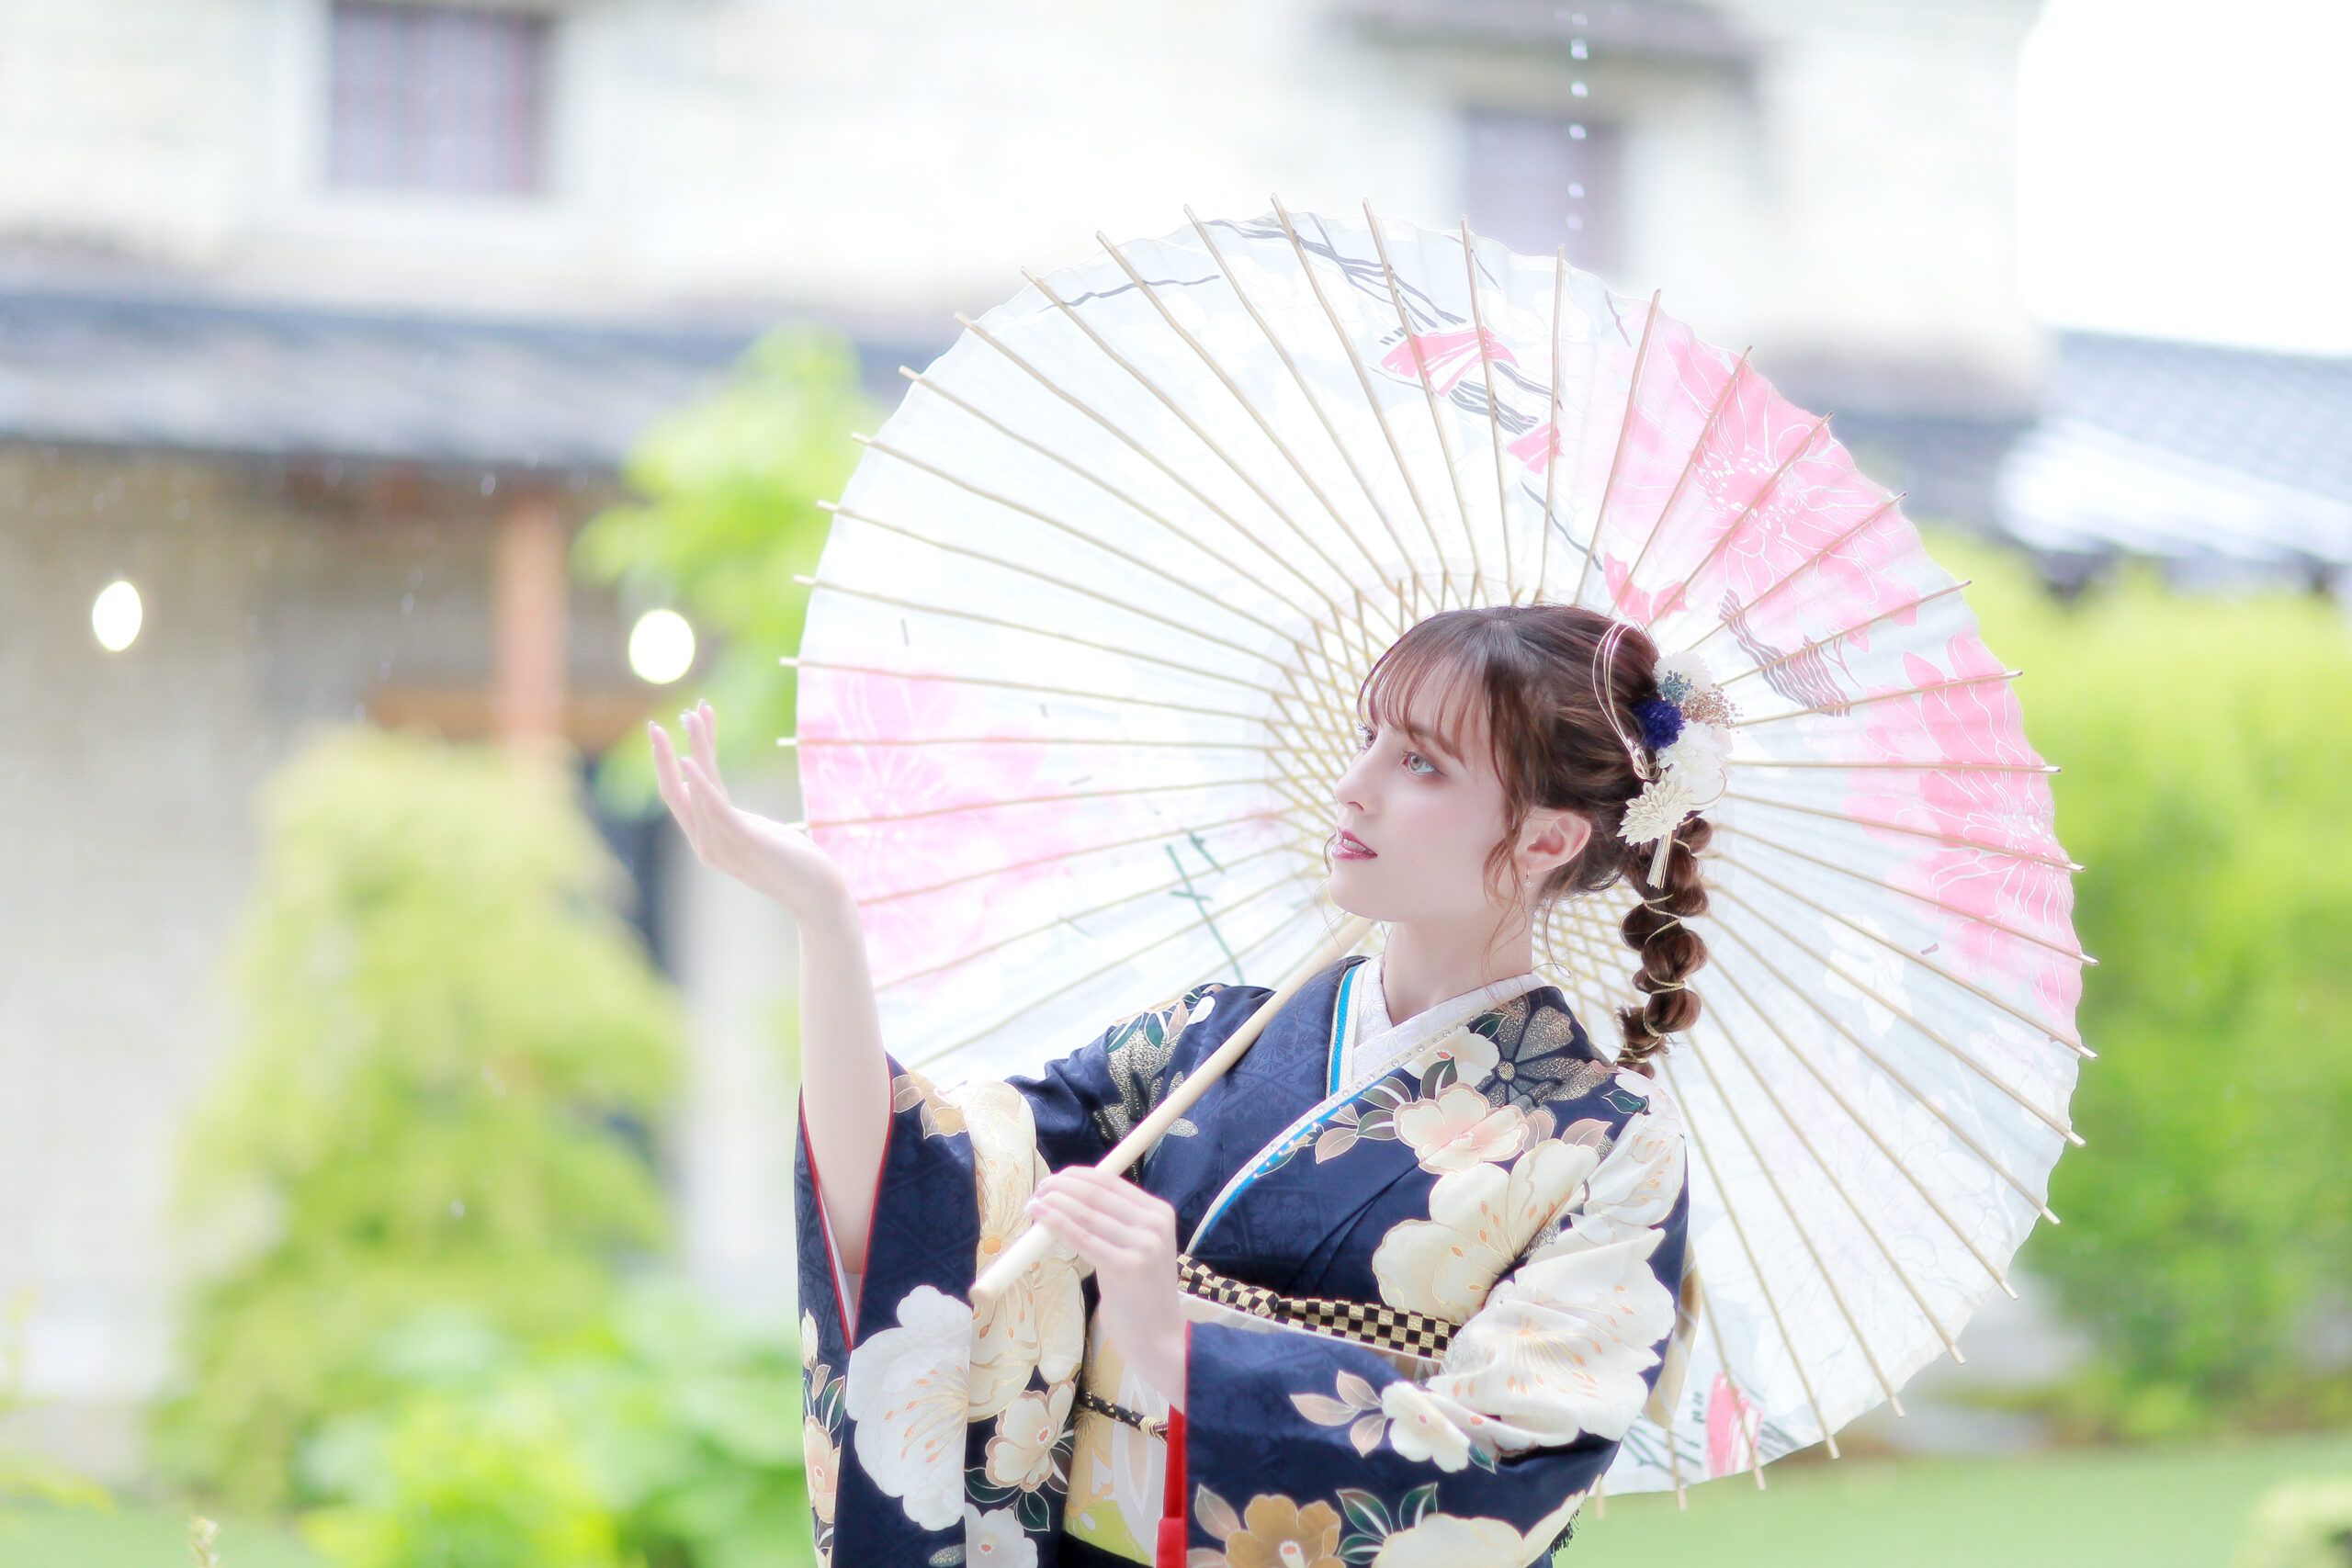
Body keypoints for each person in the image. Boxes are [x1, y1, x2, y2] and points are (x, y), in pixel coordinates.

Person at [652, 604, 1713, 1568]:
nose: (1353, 785)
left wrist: (1178, 1348)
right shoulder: (1209, 1042)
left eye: (1420, 763)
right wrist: (823, 919)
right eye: (1368, 738)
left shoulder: (1606, 1147)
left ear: (1544, 838)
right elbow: (913, 1193)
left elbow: (1507, 1466)